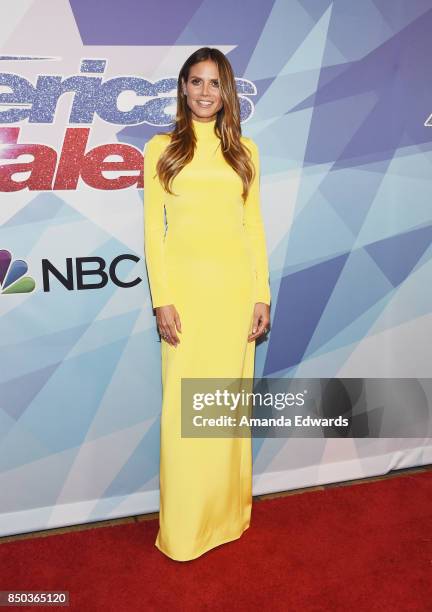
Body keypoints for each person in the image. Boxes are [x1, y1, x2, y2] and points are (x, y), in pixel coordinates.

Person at [143, 47, 271, 561]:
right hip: (187, 298)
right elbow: (154, 231)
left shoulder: (247, 151)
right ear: (183, 88)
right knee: (184, 411)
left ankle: (225, 516)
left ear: (227, 91)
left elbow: (252, 227)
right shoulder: (160, 149)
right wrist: (162, 299)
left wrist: (261, 292)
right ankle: (184, 529)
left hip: (236, 293)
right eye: (195, 82)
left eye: (214, 83)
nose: (203, 92)